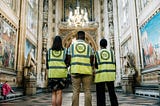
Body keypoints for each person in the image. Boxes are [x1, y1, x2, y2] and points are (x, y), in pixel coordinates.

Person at [67, 31, 94, 106]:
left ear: (77, 37)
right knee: (87, 91)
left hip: (75, 70)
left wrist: (73, 64)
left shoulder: (72, 46)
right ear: (84, 37)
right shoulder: (89, 46)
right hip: (87, 71)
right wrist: (88, 65)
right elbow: (92, 58)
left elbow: (69, 58)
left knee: (75, 91)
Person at [94, 39, 118, 106]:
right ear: (106, 45)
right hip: (110, 75)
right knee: (112, 93)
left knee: (100, 94)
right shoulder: (112, 53)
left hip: (100, 76)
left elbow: (96, 65)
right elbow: (114, 63)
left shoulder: (97, 53)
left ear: (100, 45)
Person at [46, 36, 68, 106]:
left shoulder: (49, 52)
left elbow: (47, 64)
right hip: (61, 75)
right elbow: (67, 63)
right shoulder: (64, 51)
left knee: (53, 93)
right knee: (59, 92)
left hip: (52, 74)